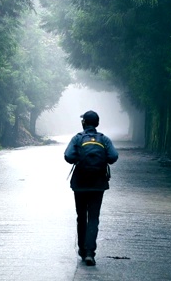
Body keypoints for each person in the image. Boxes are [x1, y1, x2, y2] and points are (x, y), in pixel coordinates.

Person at [64, 110, 119, 266]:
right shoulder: (104, 139)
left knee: (81, 216)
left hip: (80, 183)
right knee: (93, 217)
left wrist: (80, 159)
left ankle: (82, 249)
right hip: (98, 184)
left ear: (84, 123)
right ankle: (90, 252)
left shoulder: (78, 138)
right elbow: (113, 157)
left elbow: (68, 156)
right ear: (97, 123)